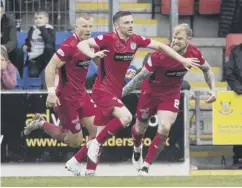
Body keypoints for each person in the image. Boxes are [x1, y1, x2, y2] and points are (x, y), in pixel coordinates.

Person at [75, 11, 200, 165]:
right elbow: (82, 44)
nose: (130, 25)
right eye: (126, 23)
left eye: (132, 22)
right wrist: (92, 54)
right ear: (117, 26)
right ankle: (95, 146)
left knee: (102, 131)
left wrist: (181, 59)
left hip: (115, 90)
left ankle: (76, 162)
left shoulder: (135, 40)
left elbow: (160, 46)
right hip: (103, 90)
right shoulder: (109, 38)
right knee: (125, 118)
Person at [122, 23, 217, 175]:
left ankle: (146, 167)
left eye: (180, 38)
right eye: (174, 38)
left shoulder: (194, 53)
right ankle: (137, 148)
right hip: (150, 92)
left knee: (165, 127)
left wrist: (213, 90)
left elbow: (207, 69)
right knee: (140, 129)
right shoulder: (160, 54)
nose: (175, 41)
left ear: (189, 40)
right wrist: (122, 93)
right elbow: (140, 78)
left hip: (171, 93)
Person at [23, 13, 100, 176]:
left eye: (90, 26)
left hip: (82, 94)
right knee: (75, 141)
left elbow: (102, 63)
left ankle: (90, 170)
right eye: (84, 26)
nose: (88, 30)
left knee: (97, 130)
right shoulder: (69, 46)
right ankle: (41, 124)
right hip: (66, 98)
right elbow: (50, 67)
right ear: (76, 28)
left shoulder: (91, 44)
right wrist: (51, 93)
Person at [22, 9, 55, 88]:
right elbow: (28, 41)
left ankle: (49, 70)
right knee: (33, 74)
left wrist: (42, 29)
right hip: (34, 58)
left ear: (46, 19)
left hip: (46, 56)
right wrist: (26, 45)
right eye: (36, 18)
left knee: (49, 48)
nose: (38, 20)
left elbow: (49, 41)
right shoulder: (32, 29)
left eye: (40, 18)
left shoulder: (49, 29)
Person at [224, 42, 242, 169]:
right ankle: (239, 159)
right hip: (240, 96)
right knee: (239, 130)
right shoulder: (236, 51)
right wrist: (239, 89)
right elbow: (229, 72)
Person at [0, 0, 24, 77]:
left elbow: (13, 41)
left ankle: (17, 78)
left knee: (18, 53)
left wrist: (4, 47)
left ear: (3, 11)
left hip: (6, 49)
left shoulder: (9, 20)